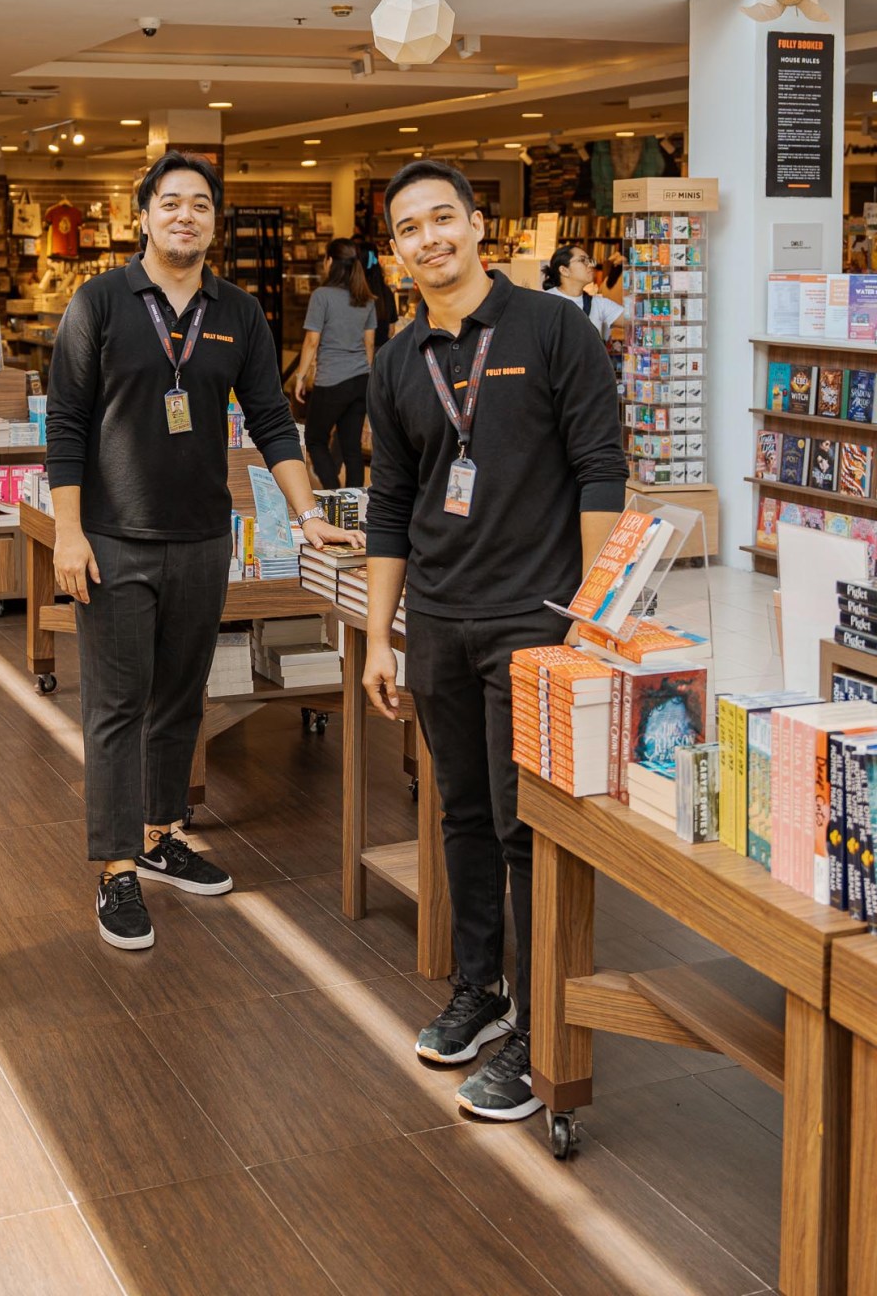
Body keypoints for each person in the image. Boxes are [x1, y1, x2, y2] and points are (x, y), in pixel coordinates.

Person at [363, 160, 627, 1122]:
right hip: (436, 619)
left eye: (444, 219)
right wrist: (379, 637)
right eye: (409, 229)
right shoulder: (398, 361)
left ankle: (539, 1028)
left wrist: (594, 621)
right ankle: (482, 987)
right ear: (394, 253)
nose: (429, 239)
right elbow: (391, 505)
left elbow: (603, 470)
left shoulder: (554, 329)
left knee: (528, 831)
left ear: (480, 227)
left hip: (536, 620)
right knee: (462, 816)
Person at [46, 152, 348, 951]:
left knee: (181, 697)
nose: (186, 215)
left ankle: (159, 834)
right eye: (170, 202)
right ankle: (115, 872)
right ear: (142, 214)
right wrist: (69, 533)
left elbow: (272, 420)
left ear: (215, 222)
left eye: (201, 206)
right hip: (113, 539)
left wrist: (307, 512)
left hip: (204, 535)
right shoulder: (100, 302)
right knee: (116, 708)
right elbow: (66, 424)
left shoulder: (238, 313)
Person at [294, 238, 376, 489]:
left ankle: (332, 492)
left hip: (331, 381)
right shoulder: (367, 299)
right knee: (351, 448)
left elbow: (311, 341)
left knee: (315, 438)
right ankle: (353, 504)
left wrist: (300, 376)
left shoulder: (322, 296)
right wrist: (367, 379)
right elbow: (369, 345)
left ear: (330, 261)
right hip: (361, 380)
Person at [542, 243, 624, 340]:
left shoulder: (599, 304)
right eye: (582, 260)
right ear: (564, 270)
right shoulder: (543, 302)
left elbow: (635, 319)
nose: (591, 264)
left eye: (589, 260)